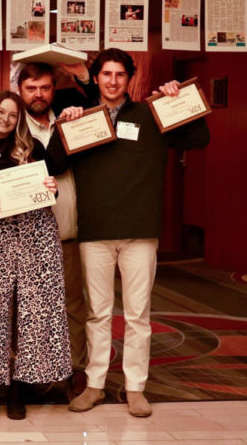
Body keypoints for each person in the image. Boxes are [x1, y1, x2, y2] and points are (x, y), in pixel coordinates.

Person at [50, 49, 210, 418]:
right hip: (96, 232)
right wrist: (63, 124)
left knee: (138, 315)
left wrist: (178, 97)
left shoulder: (151, 114)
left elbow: (199, 139)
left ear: (129, 79)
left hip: (139, 231)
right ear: (97, 78)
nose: (112, 81)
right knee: (98, 313)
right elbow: (54, 164)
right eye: (105, 74)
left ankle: (135, 388)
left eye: (120, 74)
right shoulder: (83, 119)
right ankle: (95, 385)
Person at [0, 91, 71, 421]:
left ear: (19, 121)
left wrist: (50, 187)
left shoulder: (33, 148)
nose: (6, 119)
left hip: (36, 230)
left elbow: (45, 184)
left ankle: (19, 389)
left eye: (13, 115)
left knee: (35, 314)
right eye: (1, 111)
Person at [17, 62, 94, 396]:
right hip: (27, 234)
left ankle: (74, 369)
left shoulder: (71, 118)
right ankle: (32, 372)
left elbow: (107, 112)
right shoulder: (14, 128)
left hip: (67, 228)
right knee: (31, 306)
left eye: (45, 88)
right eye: (31, 88)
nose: (38, 94)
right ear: (20, 90)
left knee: (73, 305)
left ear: (54, 89)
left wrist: (84, 82)